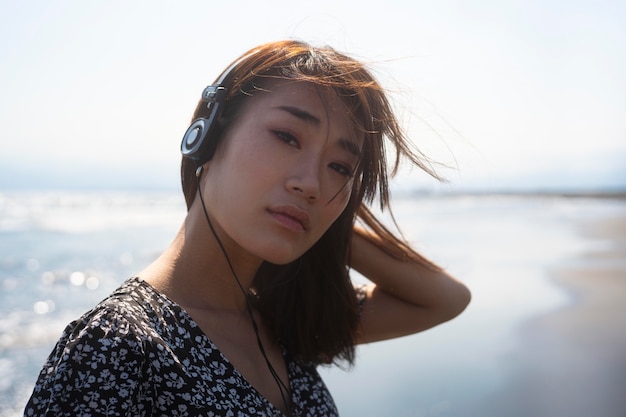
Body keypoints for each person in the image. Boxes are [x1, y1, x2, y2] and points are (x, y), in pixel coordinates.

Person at [24, 39, 470, 416]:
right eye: (287, 137)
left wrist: (323, 219)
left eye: (339, 166)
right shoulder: (117, 347)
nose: (311, 183)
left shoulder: (284, 320)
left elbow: (445, 298)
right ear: (208, 135)